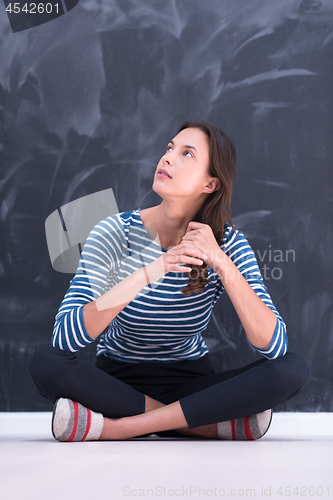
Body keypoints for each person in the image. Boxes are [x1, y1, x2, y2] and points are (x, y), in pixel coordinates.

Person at [28, 121, 310, 442]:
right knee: (45, 363)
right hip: (116, 380)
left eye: (187, 154)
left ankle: (118, 428)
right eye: (169, 148)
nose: (167, 158)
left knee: (292, 369)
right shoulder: (112, 233)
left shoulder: (227, 244)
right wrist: (148, 272)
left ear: (210, 184)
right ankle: (200, 424)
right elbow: (64, 340)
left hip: (190, 380)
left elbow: (274, 346)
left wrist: (219, 260)